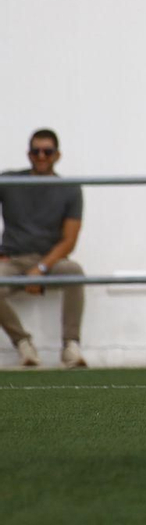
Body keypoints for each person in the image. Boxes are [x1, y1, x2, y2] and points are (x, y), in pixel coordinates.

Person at [0, 129, 86, 368]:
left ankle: (70, 345)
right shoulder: (9, 181)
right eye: (35, 151)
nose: (41, 156)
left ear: (57, 155)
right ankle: (23, 343)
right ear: (28, 154)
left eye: (47, 151)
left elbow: (69, 240)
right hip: (14, 261)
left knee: (75, 272)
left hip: (51, 261)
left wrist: (40, 268)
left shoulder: (69, 189)